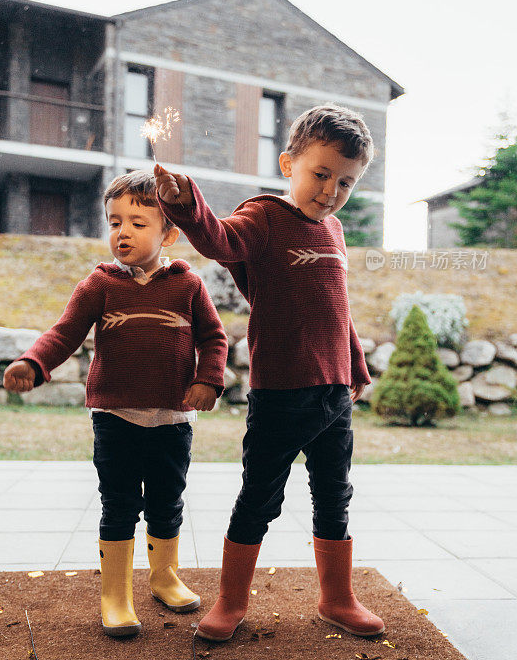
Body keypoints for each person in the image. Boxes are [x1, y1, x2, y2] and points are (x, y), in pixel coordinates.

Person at [154, 103, 385, 642]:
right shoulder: (261, 218)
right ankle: (230, 603)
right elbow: (219, 240)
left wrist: (355, 365)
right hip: (281, 393)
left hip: (334, 395)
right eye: (321, 174)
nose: (330, 191)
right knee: (259, 497)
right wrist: (186, 203)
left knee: (335, 495)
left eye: (345, 182)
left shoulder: (335, 231)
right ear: (289, 165)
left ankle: (337, 598)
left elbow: (339, 306)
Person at [2, 170, 228, 637]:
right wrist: (34, 362)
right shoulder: (99, 284)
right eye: (114, 221)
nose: (122, 232)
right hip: (116, 418)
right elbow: (63, 333)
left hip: (172, 419)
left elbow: (213, 337)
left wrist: (208, 379)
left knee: (168, 501)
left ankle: (164, 577)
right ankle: (116, 595)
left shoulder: (187, 285)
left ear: (169, 234)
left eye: (137, 222)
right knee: (120, 504)